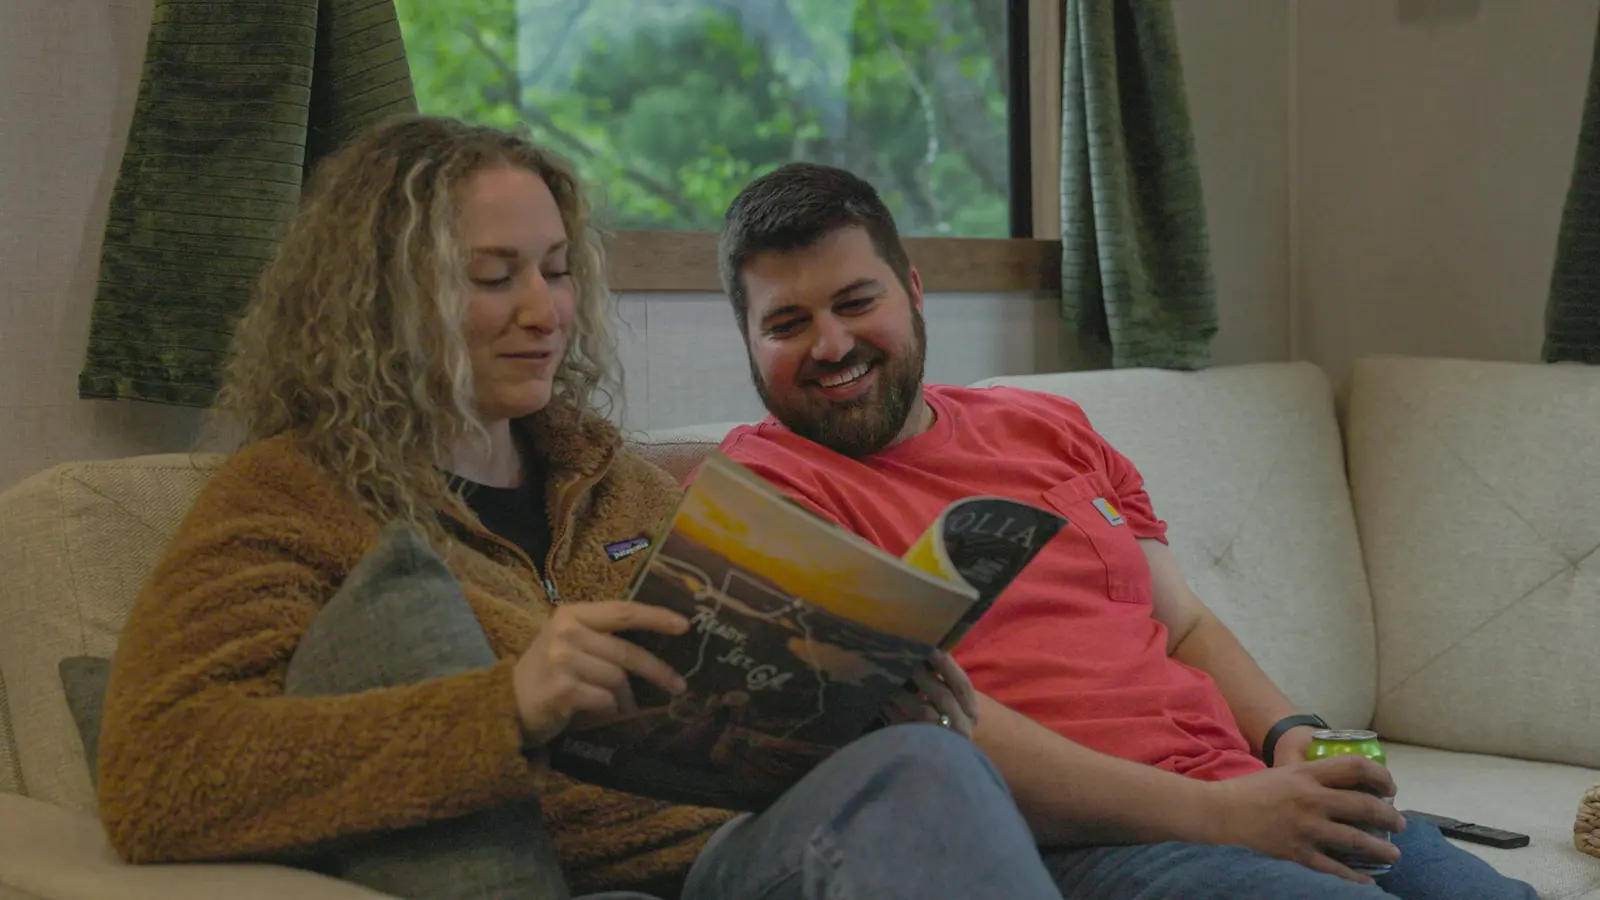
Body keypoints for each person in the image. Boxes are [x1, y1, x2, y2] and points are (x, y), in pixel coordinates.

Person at [93, 116, 1069, 900]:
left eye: (557, 270)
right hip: (638, 877)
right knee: (924, 781)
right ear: (378, 299)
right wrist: (507, 707)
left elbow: (730, 724)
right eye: (494, 277)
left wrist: (859, 695)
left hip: (753, 847)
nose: (546, 312)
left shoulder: (610, 479)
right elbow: (160, 777)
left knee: (921, 760)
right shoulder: (293, 494)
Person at [712, 161, 1542, 900]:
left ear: (915, 292)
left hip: (1245, 787)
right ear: (747, 340)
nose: (832, 344)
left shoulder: (1048, 425)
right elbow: (934, 736)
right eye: (787, 324)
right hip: (1088, 840)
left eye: (857, 302)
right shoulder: (765, 491)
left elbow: (1181, 622)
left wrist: (1290, 735)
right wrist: (1228, 815)